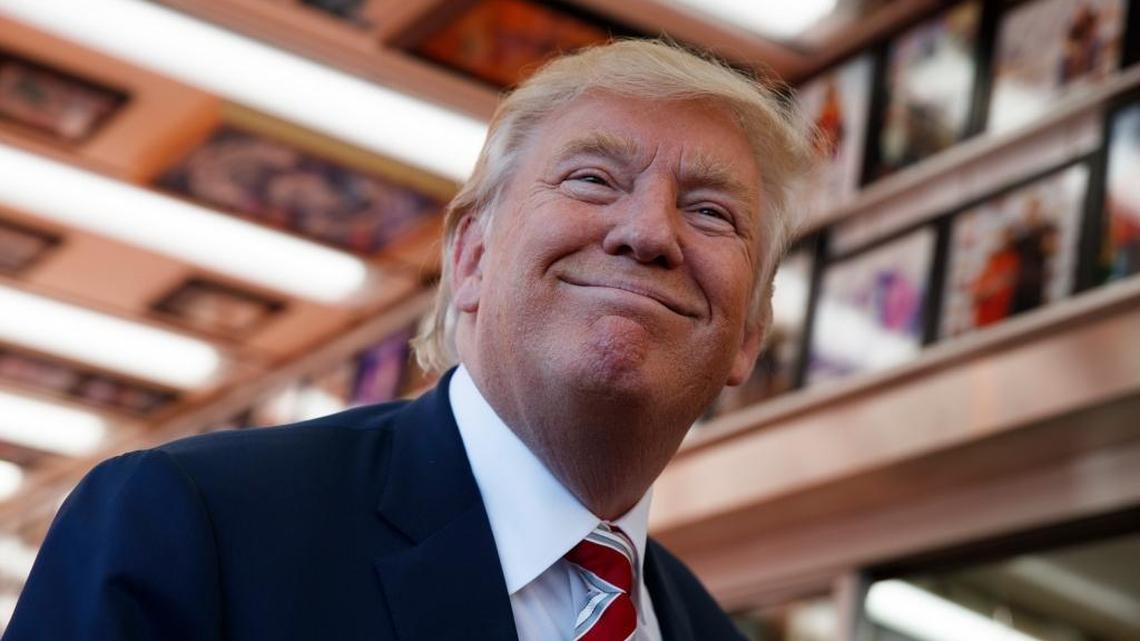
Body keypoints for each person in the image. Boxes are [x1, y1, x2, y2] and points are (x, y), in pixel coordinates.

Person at [3, 39, 813, 641]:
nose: (648, 232)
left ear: (748, 336)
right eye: (594, 179)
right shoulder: (192, 526)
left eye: (711, 211)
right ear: (470, 257)